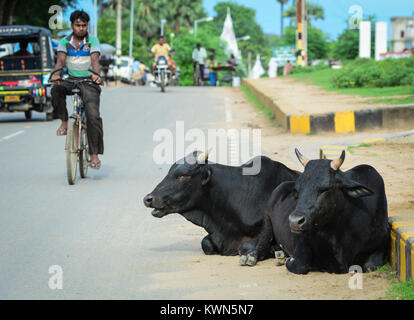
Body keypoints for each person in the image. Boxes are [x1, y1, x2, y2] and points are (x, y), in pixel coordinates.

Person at [51, 10, 103, 169]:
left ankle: (93, 154)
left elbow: (94, 59)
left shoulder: (92, 41)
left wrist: (96, 75)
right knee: (55, 89)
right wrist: (57, 74)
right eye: (78, 25)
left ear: (88, 26)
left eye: (84, 25)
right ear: (72, 25)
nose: (81, 28)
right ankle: (64, 122)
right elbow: (60, 60)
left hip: (88, 81)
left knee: (93, 116)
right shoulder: (64, 41)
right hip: (71, 79)